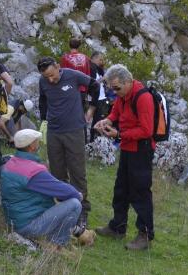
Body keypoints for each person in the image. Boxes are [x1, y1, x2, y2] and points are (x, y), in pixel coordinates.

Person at [94, 64, 156, 250]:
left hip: (141, 150)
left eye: (117, 88)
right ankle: (117, 228)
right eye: (112, 88)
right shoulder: (124, 95)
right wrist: (108, 120)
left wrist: (119, 135)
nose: (115, 92)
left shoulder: (143, 97)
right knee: (121, 189)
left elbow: (146, 130)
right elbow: (117, 110)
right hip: (128, 148)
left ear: (128, 82)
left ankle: (145, 235)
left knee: (140, 192)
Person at [0, 129, 95, 249]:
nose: (38, 142)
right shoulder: (33, 171)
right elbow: (62, 190)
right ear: (31, 146)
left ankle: (71, 234)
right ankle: (57, 244)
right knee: (74, 204)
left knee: (57, 202)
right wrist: (78, 195)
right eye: (36, 141)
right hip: (28, 226)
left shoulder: (10, 163)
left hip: (14, 220)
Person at [37, 57, 99, 229]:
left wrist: (91, 109)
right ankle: (64, 209)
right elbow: (43, 99)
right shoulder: (43, 81)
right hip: (54, 132)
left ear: (58, 67)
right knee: (57, 172)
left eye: (52, 75)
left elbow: (95, 86)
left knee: (77, 172)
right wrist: (44, 120)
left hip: (74, 131)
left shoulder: (73, 76)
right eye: (46, 77)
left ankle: (82, 212)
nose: (50, 79)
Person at [60, 37, 92, 112]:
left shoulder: (65, 58)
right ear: (79, 46)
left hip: (69, 90)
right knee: (79, 112)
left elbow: (62, 75)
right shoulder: (85, 58)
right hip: (82, 90)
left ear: (69, 45)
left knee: (69, 112)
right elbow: (88, 75)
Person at [89, 51, 113, 141]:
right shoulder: (90, 68)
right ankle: (93, 141)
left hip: (102, 98)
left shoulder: (99, 69)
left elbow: (103, 84)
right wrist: (103, 78)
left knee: (101, 120)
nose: (101, 61)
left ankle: (97, 141)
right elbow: (92, 83)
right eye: (100, 59)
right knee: (97, 121)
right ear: (94, 58)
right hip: (96, 99)